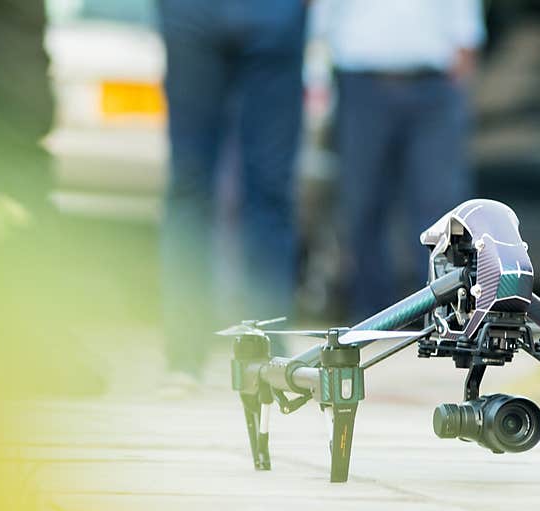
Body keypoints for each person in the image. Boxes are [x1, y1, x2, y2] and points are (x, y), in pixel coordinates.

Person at [158, 1, 307, 393]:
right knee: (189, 182)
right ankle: (183, 356)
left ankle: (270, 357)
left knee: (271, 188)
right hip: (192, 13)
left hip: (276, 12)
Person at [312, 0, 485, 319]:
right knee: (362, 205)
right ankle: (373, 317)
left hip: (432, 84)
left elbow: (465, 28)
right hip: (361, 82)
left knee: (441, 209)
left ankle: (443, 313)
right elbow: (321, 21)